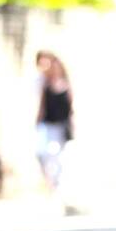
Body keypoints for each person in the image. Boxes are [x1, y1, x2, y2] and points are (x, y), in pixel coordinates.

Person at [34, 51, 73, 198]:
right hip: (47, 126)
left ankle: (56, 188)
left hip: (60, 127)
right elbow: (41, 106)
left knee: (57, 158)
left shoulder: (66, 85)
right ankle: (51, 185)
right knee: (42, 154)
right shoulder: (45, 84)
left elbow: (71, 107)